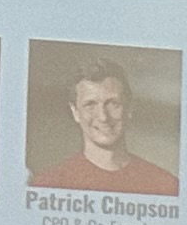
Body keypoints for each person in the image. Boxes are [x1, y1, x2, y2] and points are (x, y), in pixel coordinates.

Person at [29, 54, 179, 196]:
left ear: (129, 109)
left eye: (113, 103)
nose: (103, 117)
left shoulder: (166, 185)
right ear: (75, 112)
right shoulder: (48, 185)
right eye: (90, 104)